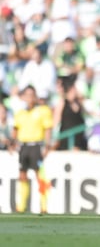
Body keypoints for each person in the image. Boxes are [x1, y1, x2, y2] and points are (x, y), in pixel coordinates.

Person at [9, 85, 53, 213]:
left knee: (40, 176)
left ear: (35, 97)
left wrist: (47, 145)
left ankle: (44, 207)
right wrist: (12, 144)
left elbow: (48, 129)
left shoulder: (42, 111)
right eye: (27, 95)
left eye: (32, 95)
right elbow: (15, 130)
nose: (29, 98)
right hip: (23, 146)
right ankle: (21, 207)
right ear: (23, 97)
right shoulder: (20, 113)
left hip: (36, 145)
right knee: (22, 175)